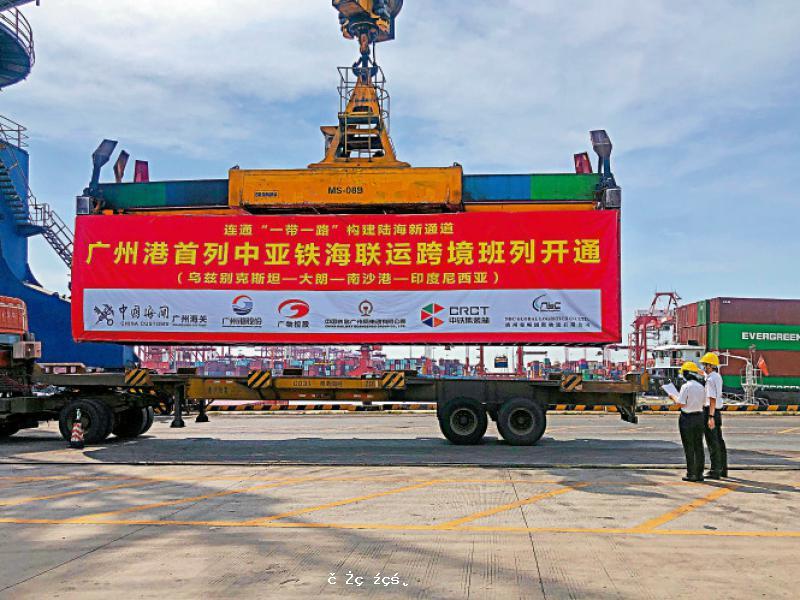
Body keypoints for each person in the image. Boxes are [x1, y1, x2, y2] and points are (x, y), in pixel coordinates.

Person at [669, 361, 706, 482]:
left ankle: (691, 474)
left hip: (687, 418)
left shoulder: (686, 387)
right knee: (698, 446)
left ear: (686, 374)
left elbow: (681, 403)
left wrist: (673, 397)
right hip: (699, 417)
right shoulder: (701, 386)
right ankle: (699, 474)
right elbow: (704, 403)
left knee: (689, 447)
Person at [701, 352, 728, 479]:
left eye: (705, 365)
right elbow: (704, 374)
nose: (704, 367)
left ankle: (715, 470)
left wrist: (710, 417)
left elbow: (712, 399)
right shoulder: (717, 376)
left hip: (711, 411)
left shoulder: (710, 380)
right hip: (717, 412)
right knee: (719, 441)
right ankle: (723, 469)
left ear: (711, 366)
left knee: (712, 442)